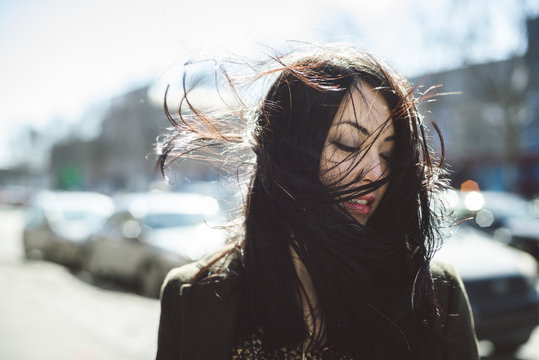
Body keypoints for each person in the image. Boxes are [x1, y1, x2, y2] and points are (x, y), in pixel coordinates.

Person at [155, 44, 479, 360]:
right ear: (284, 150)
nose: (376, 173)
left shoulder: (436, 292)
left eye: (388, 153)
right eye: (348, 144)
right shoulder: (191, 296)